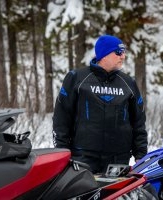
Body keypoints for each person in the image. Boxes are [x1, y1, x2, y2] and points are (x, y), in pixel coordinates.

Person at [52, 34, 148, 174]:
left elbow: (138, 121)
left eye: (124, 52)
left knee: (114, 195)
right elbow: (61, 118)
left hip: (118, 158)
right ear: (104, 55)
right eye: (118, 52)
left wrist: (140, 155)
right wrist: (61, 152)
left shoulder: (128, 83)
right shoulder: (77, 78)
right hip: (83, 157)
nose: (123, 56)